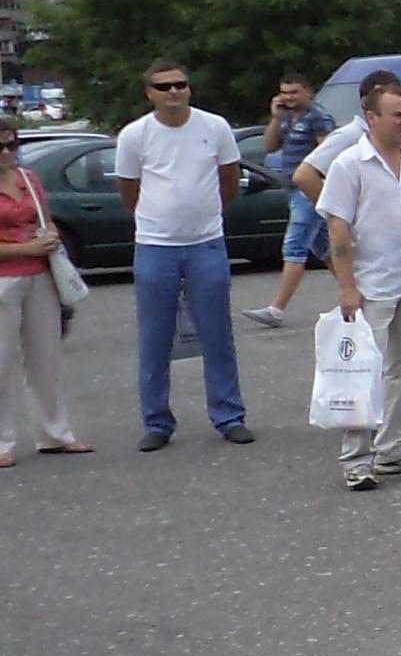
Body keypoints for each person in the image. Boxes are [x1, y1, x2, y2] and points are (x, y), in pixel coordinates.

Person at [317, 80, 401, 490]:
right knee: (362, 371)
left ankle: (396, 446)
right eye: (397, 116)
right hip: (371, 284)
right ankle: (356, 459)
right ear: (371, 118)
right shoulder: (349, 164)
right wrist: (347, 286)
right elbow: (337, 227)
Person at [115, 61, 252, 449]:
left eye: (180, 84)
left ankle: (229, 415)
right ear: (150, 93)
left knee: (217, 333)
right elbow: (129, 190)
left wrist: (206, 215)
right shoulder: (134, 135)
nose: (173, 92)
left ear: (189, 88)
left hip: (206, 243)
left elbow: (229, 180)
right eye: (163, 87)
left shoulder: (215, 127)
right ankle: (157, 421)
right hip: (155, 245)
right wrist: (157, 219)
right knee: (155, 337)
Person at [0, 114, 89, 465]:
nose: (7, 153)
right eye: (0, 147)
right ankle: (2, 442)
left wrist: (50, 236)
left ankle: (54, 433)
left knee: (45, 358)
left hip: (41, 275)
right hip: (4, 277)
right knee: (1, 361)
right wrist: (27, 248)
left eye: (12, 145)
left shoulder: (28, 178)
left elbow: (45, 220)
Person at [245, 70, 334, 328]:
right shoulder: (286, 117)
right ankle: (357, 293)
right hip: (293, 189)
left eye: (294, 92)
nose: (289, 97)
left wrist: (320, 183)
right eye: (284, 92)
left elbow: (329, 151)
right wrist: (275, 118)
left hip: (309, 190)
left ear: (308, 92)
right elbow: (269, 147)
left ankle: (276, 308)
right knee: (324, 248)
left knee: (295, 246)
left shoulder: (318, 117)